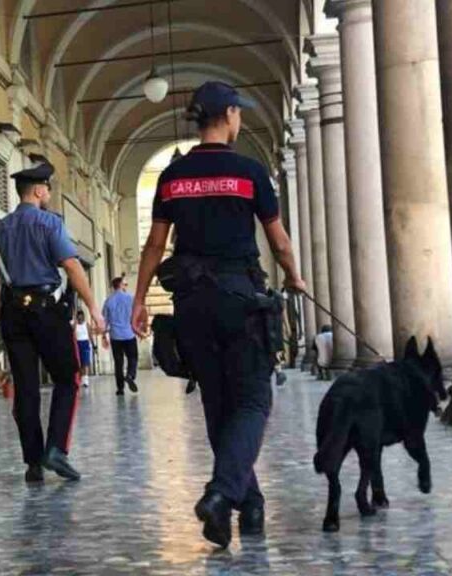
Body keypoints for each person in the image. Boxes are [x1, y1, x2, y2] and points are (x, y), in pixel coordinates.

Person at [131, 81, 306, 548]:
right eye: (239, 113)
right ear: (228, 115)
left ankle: (249, 505)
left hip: (191, 304)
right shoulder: (249, 171)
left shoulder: (173, 177)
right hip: (241, 299)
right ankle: (222, 494)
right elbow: (279, 241)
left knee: (218, 404)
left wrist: (139, 300)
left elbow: (154, 245)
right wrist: (294, 277)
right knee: (252, 403)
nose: (241, 120)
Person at [0, 161, 105, 484]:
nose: (48, 193)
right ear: (37, 190)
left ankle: (33, 463)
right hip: (46, 312)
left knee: (26, 387)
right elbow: (73, 267)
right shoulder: (50, 224)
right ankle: (56, 449)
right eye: (47, 188)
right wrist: (94, 307)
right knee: (68, 377)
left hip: (12, 313)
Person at [102, 277, 139, 396]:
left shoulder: (108, 301)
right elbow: (136, 315)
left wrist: (104, 336)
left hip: (115, 336)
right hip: (129, 334)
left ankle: (120, 389)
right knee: (133, 357)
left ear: (113, 286)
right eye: (125, 284)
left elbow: (104, 321)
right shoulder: (130, 298)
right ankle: (130, 375)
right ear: (121, 285)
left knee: (118, 363)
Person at [75, 310, 93, 387]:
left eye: (81, 317)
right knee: (80, 363)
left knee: (85, 362)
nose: (80, 319)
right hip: (78, 343)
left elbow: (90, 335)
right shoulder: (75, 325)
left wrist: (93, 344)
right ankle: (82, 378)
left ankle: (86, 380)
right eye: (79, 318)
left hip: (85, 343)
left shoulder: (86, 325)